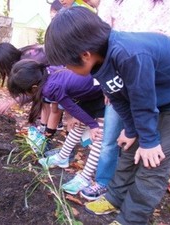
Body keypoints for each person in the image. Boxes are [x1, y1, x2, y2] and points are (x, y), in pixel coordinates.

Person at [44, 6, 170, 225]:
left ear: (85, 54)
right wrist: (131, 131)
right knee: (128, 149)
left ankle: (131, 219)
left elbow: (142, 101)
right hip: (158, 99)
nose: (66, 68)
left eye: (66, 63)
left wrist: (149, 141)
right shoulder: (100, 61)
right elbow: (119, 98)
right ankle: (114, 197)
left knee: (153, 163)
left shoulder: (129, 54)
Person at [81, 0, 170, 201]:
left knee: (148, 138)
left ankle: (132, 190)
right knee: (112, 137)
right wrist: (106, 82)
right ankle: (104, 183)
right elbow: (100, 36)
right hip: (116, 74)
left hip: (152, 73)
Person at [7, 59, 106, 195]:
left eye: (26, 93)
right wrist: (75, 118)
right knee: (78, 126)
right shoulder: (48, 73)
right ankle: (62, 157)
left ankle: (86, 177)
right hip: (89, 94)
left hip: (103, 93)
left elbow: (69, 106)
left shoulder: (49, 88)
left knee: (98, 135)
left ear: (34, 88)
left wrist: (93, 125)